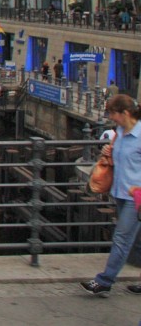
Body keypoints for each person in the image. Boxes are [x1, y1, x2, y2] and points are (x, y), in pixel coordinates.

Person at [81, 94, 141, 297]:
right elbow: (120, 161)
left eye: (113, 114)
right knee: (134, 240)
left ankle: (104, 281)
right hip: (120, 192)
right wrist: (109, 151)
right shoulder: (120, 133)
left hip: (137, 196)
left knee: (122, 238)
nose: (111, 118)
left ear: (124, 113)